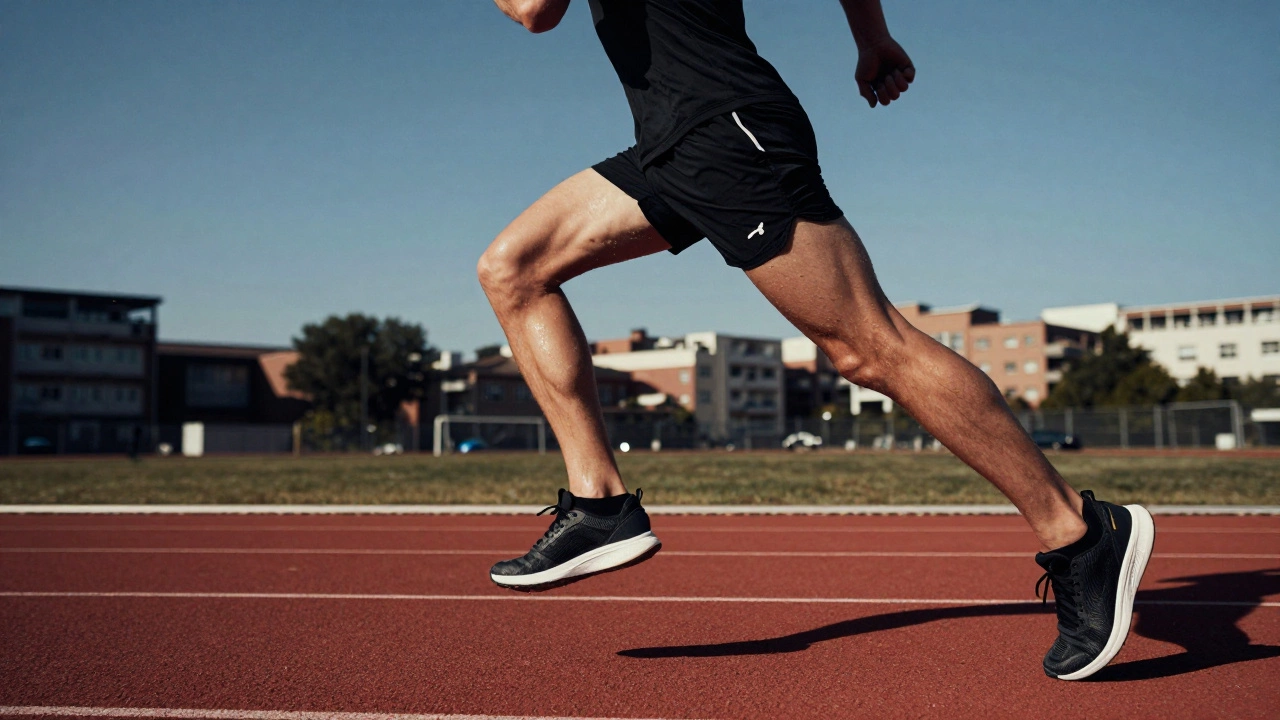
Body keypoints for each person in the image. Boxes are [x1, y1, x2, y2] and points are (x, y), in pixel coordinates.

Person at [481, 0, 1154, 680]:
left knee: (870, 346)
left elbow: (534, 9)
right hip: (673, 142)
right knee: (514, 269)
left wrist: (873, 37)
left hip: (724, 129)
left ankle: (1079, 530)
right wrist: (873, 37)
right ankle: (599, 504)